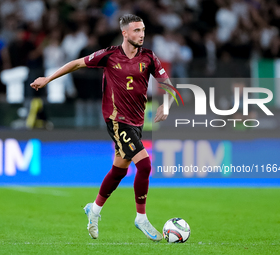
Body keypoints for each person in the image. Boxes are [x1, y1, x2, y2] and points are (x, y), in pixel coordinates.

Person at [30, 14, 174, 241]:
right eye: (136, 30)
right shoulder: (109, 55)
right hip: (117, 120)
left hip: (137, 122)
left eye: (143, 29)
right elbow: (77, 63)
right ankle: (141, 217)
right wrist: (48, 78)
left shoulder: (149, 57)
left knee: (120, 169)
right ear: (125, 33)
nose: (142, 34)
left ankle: (94, 210)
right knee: (145, 165)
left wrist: (166, 105)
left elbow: (169, 87)